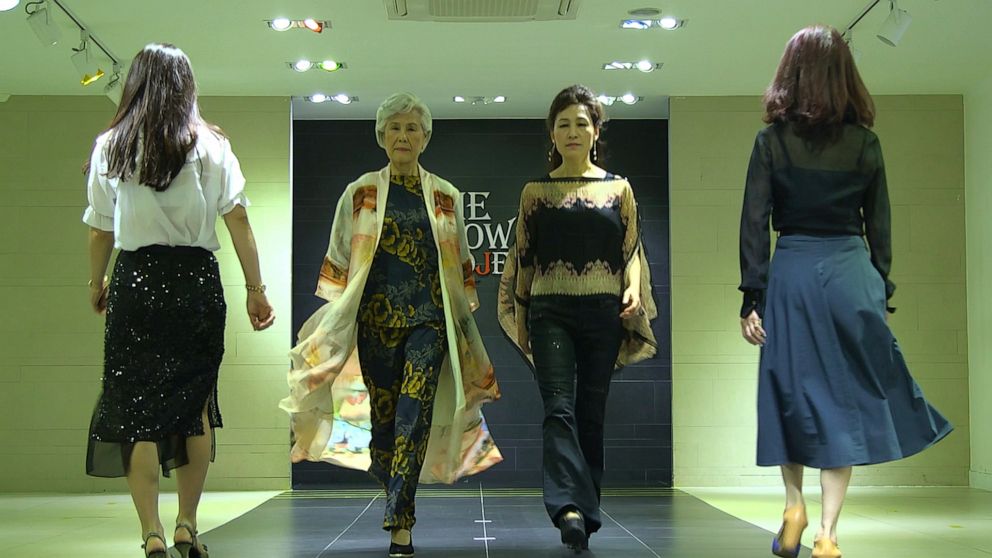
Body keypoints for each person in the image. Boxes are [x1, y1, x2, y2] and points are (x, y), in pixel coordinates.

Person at [738, 25, 953, 558]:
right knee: (844, 401)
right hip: (850, 271)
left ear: (790, 71)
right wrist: (880, 287)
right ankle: (829, 535)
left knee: (788, 390)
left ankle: (793, 504)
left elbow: (753, 221)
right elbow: (879, 225)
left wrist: (752, 296)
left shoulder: (771, 141)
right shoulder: (865, 143)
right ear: (843, 77)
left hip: (792, 271)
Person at [280, 92, 501, 558]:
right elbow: (340, 254)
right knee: (383, 425)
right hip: (373, 324)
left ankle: (401, 519)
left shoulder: (446, 195)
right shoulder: (360, 191)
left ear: (425, 138)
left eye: (412, 128)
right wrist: (335, 321)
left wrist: (462, 321)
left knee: (413, 413)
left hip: (429, 322)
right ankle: (393, 485)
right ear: (382, 137)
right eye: (394, 128)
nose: (403, 136)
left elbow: (459, 259)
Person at [83, 44, 275, 558]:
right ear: (188, 85)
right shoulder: (212, 144)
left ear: (135, 83)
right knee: (196, 408)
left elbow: (101, 229)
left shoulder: (111, 145)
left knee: (135, 411)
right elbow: (239, 221)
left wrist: (96, 283)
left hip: (136, 283)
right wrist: (256, 291)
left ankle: (151, 533)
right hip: (196, 283)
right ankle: (188, 523)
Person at [498, 84, 657, 552]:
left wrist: (631, 287)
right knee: (558, 408)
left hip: (603, 314)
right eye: (563, 123)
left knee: (591, 413)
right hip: (550, 312)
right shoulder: (534, 193)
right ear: (552, 133)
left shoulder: (619, 189)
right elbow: (522, 260)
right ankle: (566, 506)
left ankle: (585, 513)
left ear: (595, 131)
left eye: (581, 123)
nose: (572, 131)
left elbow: (631, 251)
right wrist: (523, 321)